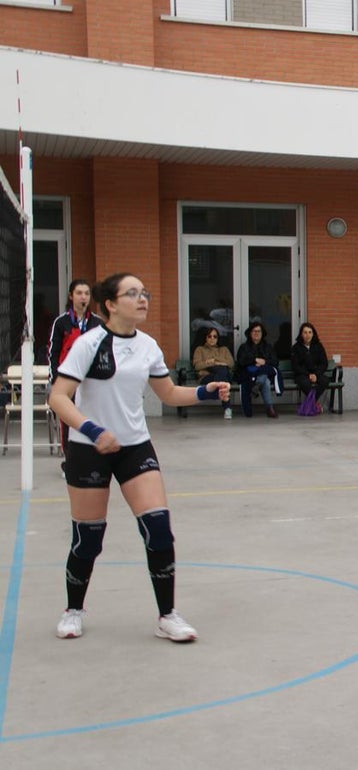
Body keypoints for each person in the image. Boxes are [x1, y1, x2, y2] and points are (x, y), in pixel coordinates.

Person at [47, 272, 231, 642]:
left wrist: (204, 393)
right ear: (111, 305)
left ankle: (167, 616)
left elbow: (167, 393)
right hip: (89, 449)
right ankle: (73, 610)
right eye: (132, 294)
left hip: (135, 446)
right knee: (88, 539)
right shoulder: (89, 343)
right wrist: (93, 430)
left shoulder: (148, 345)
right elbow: (58, 397)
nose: (142, 298)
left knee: (159, 529)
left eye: (144, 292)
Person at [48, 279, 105, 455]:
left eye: (87, 293)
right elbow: (53, 353)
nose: (83, 297)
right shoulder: (61, 322)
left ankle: (92, 454)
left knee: (92, 418)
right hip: (68, 381)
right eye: (79, 293)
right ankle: (69, 459)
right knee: (67, 420)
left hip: (90, 381)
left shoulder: (97, 323)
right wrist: (56, 381)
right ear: (71, 296)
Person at [235, 321, 280, 418]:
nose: (256, 333)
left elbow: (275, 361)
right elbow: (241, 361)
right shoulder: (244, 347)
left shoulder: (268, 347)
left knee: (265, 376)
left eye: (259, 331)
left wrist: (264, 362)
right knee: (265, 380)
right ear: (250, 333)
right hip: (248, 375)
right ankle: (269, 408)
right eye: (254, 331)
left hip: (264, 374)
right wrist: (254, 360)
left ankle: (256, 387)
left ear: (262, 333)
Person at [192, 327, 235, 419]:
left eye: (215, 336)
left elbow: (231, 364)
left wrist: (214, 361)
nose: (212, 339)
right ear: (205, 338)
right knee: (223, 374)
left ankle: (222, 398)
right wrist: (213, 364)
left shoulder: (224, 349)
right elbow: (197, 366)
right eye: (209, 336)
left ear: (218, 338)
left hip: (217, 375)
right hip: (207, 377)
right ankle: (227, 407)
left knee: (221, 370)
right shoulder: (200, 349)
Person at [290, 322, 329, 411]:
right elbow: (295, 366)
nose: (308, 335)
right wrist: (308, 375)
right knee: (305, 383)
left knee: (325, 380)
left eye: (310, 332)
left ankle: (311, 403)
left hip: (316, 373)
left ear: (313, 334)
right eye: (305, 332)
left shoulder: (318, 346)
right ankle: (315, 404)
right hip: (302, 375)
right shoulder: (296, 348)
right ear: (301, 334)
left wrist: (316, 374)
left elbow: (324, 363)